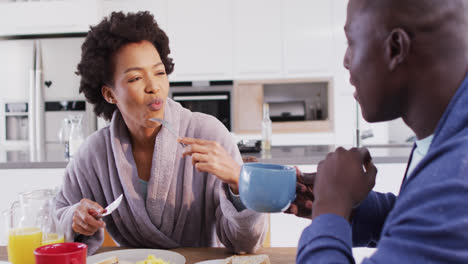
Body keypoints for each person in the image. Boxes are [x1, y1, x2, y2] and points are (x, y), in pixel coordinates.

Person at [55, 11, 267, 255]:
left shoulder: (208, 134)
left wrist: (239, 183)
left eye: (159, 72)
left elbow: (247, 244)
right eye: (136, 77)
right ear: (109, 94)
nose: (154, 86)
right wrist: (76, 218)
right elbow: (58, 215)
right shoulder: (94, 154)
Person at [287, 0, 468, 263]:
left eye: (351, 42)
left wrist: (331, 212)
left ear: (396, 47)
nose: (345, 61)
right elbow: (429, 224)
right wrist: (352, 206)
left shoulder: (457, 180)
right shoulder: (447, 142)